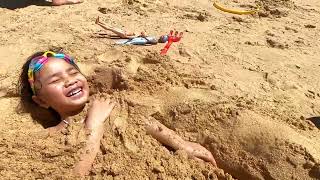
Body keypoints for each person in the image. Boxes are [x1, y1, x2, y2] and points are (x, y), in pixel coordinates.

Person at [18, 50, 216, 176]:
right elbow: (76, 172)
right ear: (41, 101)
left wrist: (183, 145)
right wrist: (93, 126)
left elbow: (144, 122)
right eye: (55, 80)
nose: (69, 81)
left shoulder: (105, 102)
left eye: (73, 73)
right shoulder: (50, 137)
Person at [95, 17, 170, 45]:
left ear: (163, 40)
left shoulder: (156, 41)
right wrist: (143, 35)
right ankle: (99, 22)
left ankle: (98, 23)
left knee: (111, 29)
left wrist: (144, 36)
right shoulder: (155, 37)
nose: (162, 36)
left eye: (164, 37)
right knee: (112, 28)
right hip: (130, 35)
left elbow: (150, 42)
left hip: (128, 36)